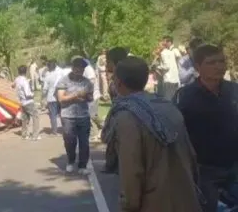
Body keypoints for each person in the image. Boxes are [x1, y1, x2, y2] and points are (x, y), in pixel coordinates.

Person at [103, 57, 202, 212]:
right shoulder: (167, 107)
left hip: (154, 201)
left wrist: (128, 205)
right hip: (185, 196)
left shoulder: (126, 117)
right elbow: (191, 154)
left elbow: (131, 170)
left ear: (118, 82)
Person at [175, 44, 238, 212]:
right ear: (197, 67)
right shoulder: (185, 96)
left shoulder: (234, 91)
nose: (219, 66)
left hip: (234, 166)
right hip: (204, 170)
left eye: (221, 61)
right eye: (212, 62)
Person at [56, 58, 94, 175]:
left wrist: (87, 97)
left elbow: (90, 97)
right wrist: (77, 95)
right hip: (68, 116)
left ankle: (82, 165)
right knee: (70, 140)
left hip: (83, 115)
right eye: (77, 67)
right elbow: (61, 98)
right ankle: (71, 161)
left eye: (82, 68)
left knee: (84, 142)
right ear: (72, 68)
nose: (79, 70)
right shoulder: (63, 81)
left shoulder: (87, 82)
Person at [100, 46, 130, 173]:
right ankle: (112, 164)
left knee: (118, 140)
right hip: (119, 110)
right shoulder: (117, 75)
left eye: (108, 61)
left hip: (123, 113)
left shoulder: (121, 76)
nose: (106, 64)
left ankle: (117, 165)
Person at [15, 65, 40, 140]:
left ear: (18, 72)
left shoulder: (17, 80)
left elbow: (12, 85)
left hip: (22, 102)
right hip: (28, 102)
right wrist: (33, 94)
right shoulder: (24, 81)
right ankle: (35, 135)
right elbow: (28, 93)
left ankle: (24, 134)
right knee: (36, 117)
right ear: (25, 72)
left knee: (25, 119)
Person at [82, 58, 103, 141]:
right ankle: (95, 133)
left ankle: (103, 125)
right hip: (88, 96)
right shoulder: (85, 70)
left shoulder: (88, 69)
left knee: (92, 115)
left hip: (93, 96)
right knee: (89, 115)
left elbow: (92, 81)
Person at [156, 36, 182, 100]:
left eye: (159, 46)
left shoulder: (163, 53)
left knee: (168, 99)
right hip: (175, 78)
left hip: (169, 79)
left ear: (163, 46)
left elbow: (166, 67)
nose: (158, 48)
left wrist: (158, 67)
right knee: (175, 98)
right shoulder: (171, 52)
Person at [41, 60, 61, 135]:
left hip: (51, 97)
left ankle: (54, 131)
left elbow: (45, 89)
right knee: (62, 113)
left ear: (48, 67)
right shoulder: (58, 74)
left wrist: (43, 97)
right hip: (59, 96)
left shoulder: (47, 76)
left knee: (53, 115)